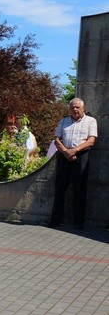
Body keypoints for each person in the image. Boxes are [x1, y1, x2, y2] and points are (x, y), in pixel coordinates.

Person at [49, 98, 98, 229]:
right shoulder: (63, 121)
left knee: (79, 190)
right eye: (72, 107)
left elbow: (91, 141)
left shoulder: (90, 121)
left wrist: (74, 151)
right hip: (63, 156)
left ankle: (78, 222)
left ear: (83, 108)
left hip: (81, 157)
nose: (75, 109)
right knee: (59, 188)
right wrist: (66, 152)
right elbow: (57, 139)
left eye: (77, 107)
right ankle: (55, 220)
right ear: (69, 109)